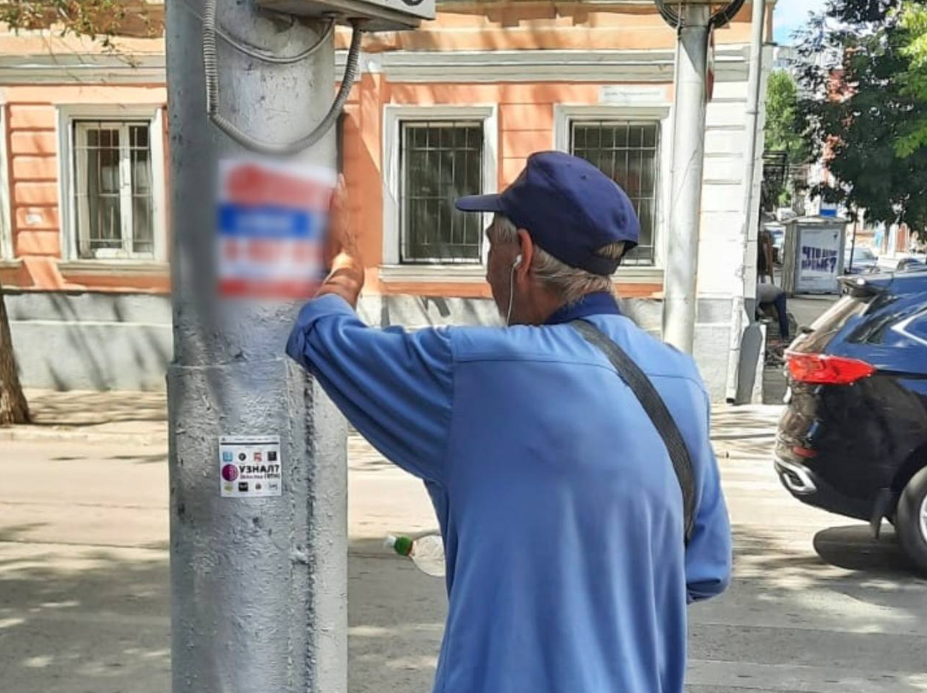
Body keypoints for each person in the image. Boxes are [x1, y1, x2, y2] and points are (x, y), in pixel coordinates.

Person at [287, 152, 732, 693]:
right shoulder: (680, 380)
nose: (487, 266)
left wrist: (345, 267)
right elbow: (703, 570)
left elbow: (328, 341)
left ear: (520, 253)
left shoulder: (481, 371)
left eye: (490, 246)